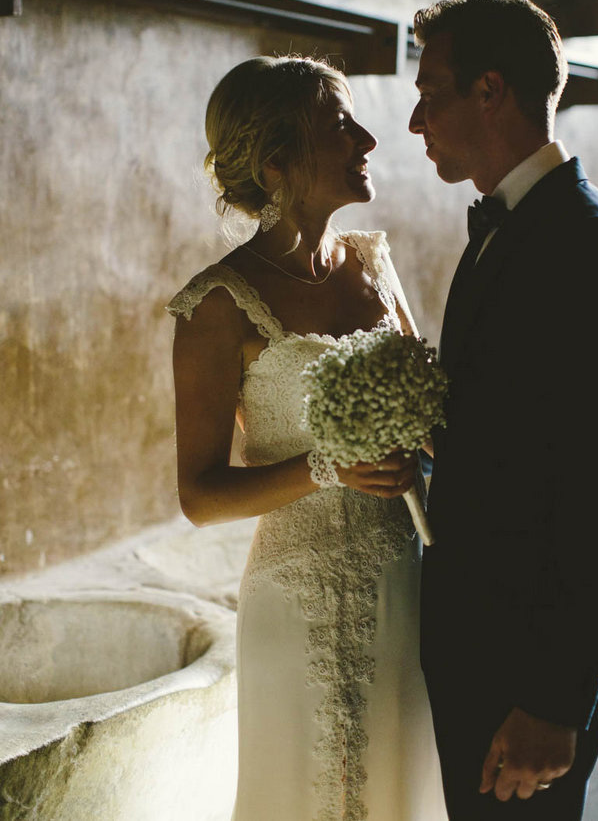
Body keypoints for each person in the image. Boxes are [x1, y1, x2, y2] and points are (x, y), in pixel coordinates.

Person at [167, 55, 448, 821]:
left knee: (398, 785)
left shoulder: (372, 266)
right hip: (295, 592)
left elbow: (431, 412)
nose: (369, 139)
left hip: (401, 581)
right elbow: (199, 494)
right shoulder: (216, 306)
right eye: (340, 124)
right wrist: (328, 467)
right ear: (277, 163)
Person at [409, 0, 598, 820]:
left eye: (430, 91)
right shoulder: (508, 227)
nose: (415, 120)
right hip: (481, 638)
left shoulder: (587, 242)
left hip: (527, 665)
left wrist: (554, 702)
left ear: (490, 91)